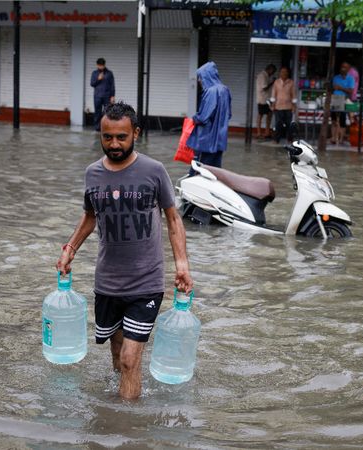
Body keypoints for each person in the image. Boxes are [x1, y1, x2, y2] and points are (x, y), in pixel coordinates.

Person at [56, 102, 193, 400]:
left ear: (136, 134)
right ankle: (117, 421)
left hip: (146, 283)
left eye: (121, 137)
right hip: (107, 282)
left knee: (131, 359)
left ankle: (128, 431)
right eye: (108, 137)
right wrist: (70, 249)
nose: (114, 144)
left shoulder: (154, 171)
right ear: (101, 136)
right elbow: (90, 216)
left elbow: (173, 218)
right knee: (118, 357)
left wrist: (182, 264)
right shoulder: (92, 174)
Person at [187, 61, 232, 169]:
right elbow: (228, 114)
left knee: (198, 170)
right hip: (220, 140)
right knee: (214, 172)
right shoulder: (225, 90)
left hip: (206, 140)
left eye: (200, 77)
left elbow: (203, 117)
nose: (199, 80)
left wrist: (193, 118)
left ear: (207, 76)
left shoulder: (211, 92)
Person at [270, 66, 297, 144]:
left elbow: (293, 95)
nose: (284, 73)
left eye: (285, 72)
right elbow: (273, 94)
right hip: (278, 106)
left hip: (288, 106)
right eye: (282, 72)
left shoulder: (291, 82)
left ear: (288, 73)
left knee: (289, 124)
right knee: (278, 123)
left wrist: (294, 106)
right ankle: (276, 139)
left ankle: (289, 139)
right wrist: (272, 105)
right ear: (280, 73)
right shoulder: (276, 82)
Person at [330, 62, 355, 145]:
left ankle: (341, 139)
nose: (343, 69)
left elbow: (350, 91)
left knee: (342, 120)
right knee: (334, 120)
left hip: (344, 99)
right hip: (335, 99)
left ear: (348, 69)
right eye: (342, 67)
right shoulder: (336, 78)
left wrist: (341, 88)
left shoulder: (351, 79)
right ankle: (333, 138)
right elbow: (333, 88)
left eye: (345, 67)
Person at [90, 58, 115, 132]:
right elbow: (92, 84)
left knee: (107, 112)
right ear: (97, 65)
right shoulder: (94, 73)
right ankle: (97, 128)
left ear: (104, 65)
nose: (101, 67)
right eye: (99, 65)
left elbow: (112, 85)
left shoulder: (109, 73)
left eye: (102, 65)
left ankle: (106, 127)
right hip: (97, 96)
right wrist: (98, 79)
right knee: (97, 112)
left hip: (107, 96)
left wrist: (112, 96)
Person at [255, 64, 277, 139]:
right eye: (273, 72)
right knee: (261, 115)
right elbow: (264, 87)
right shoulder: (263, 75)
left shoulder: (266, 76)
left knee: (269, 114)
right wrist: (273, 82)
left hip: (267, 99)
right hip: (263, 99)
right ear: (270, 69)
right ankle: (259, 133)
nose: (272, 73)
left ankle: (266, 132)